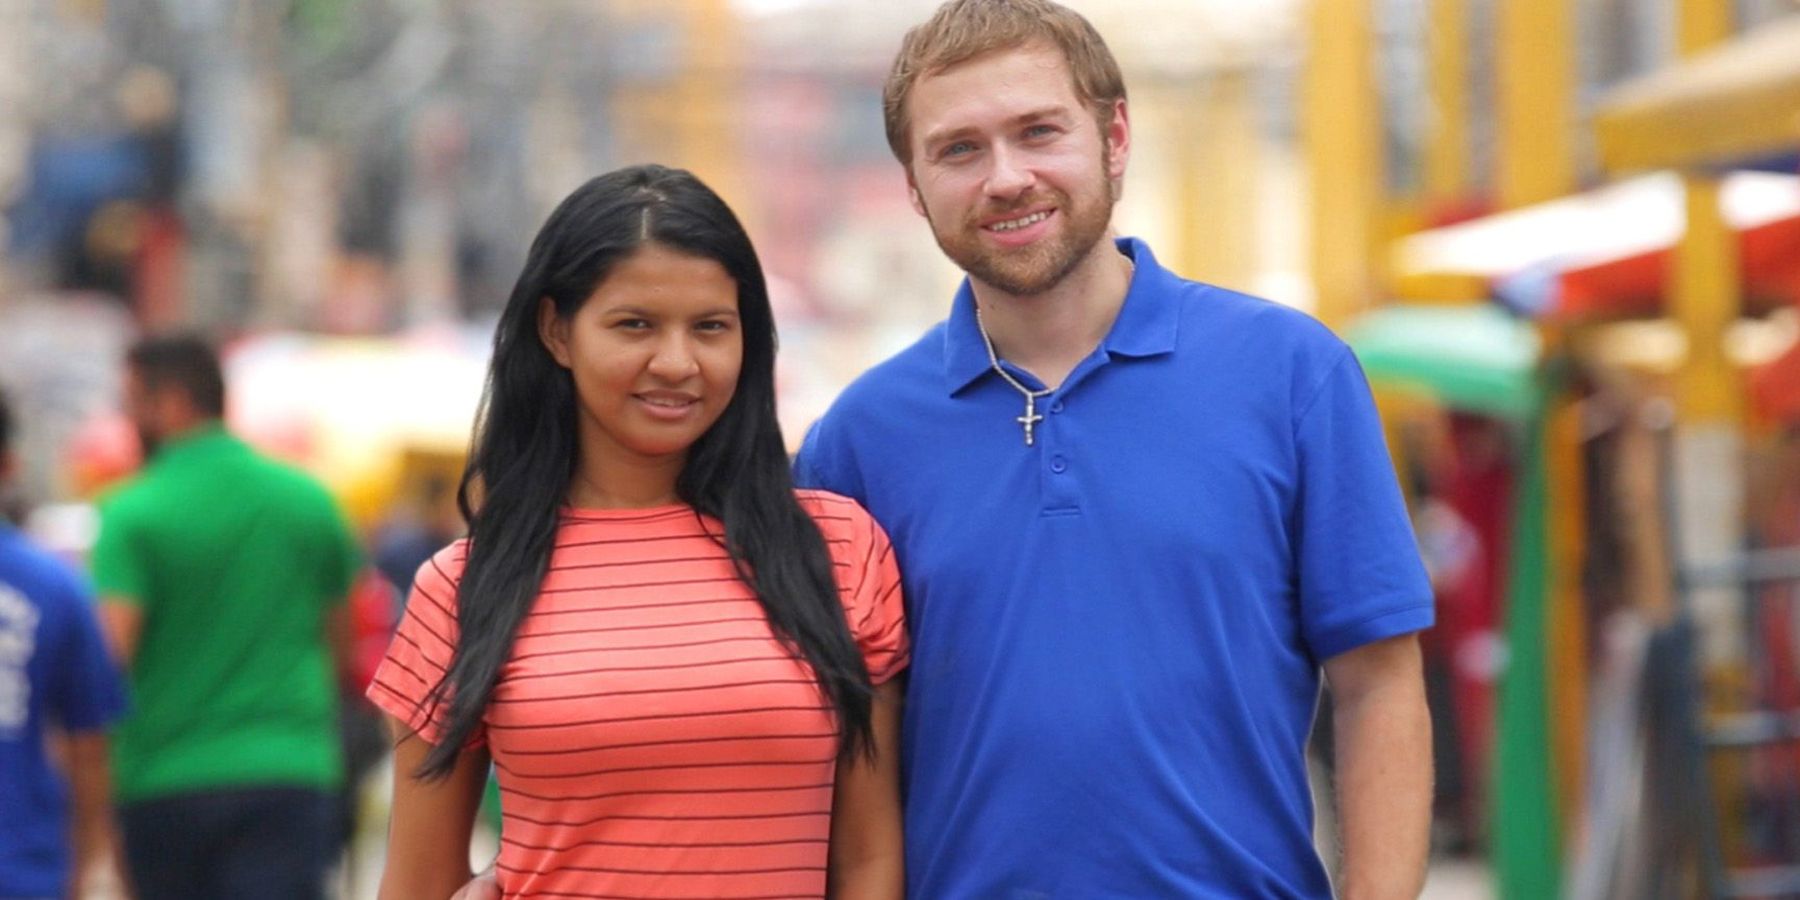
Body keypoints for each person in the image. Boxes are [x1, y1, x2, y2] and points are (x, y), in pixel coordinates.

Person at [791, 1, 1436, 897]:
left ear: (1115, 136)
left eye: (1038, 131)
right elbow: (845, 751)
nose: (1006, 177)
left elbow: (1380, 684)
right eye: (959, 149)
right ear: (912, 185)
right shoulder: (858, 441)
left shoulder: (1291, 374)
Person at [367, 164, 906, 900]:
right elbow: (416, 885)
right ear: (557, 331)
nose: (679, 363)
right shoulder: (461, 588)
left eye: (711, 326)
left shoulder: (838, 551)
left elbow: (869, 862)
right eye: (635, 325)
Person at [90, 334, 362, 900]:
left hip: (166, 780)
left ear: (168, 403)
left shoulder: (132, 512)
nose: (128, 421)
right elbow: (343, 643)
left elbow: (110, 660)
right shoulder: (308, 499)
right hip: (289, 769)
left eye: (131, 403)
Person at [0, 388, 129, 899]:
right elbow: (89, 746)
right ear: (10, 465)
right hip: (24, 863)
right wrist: (81, 868)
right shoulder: (53, 586)